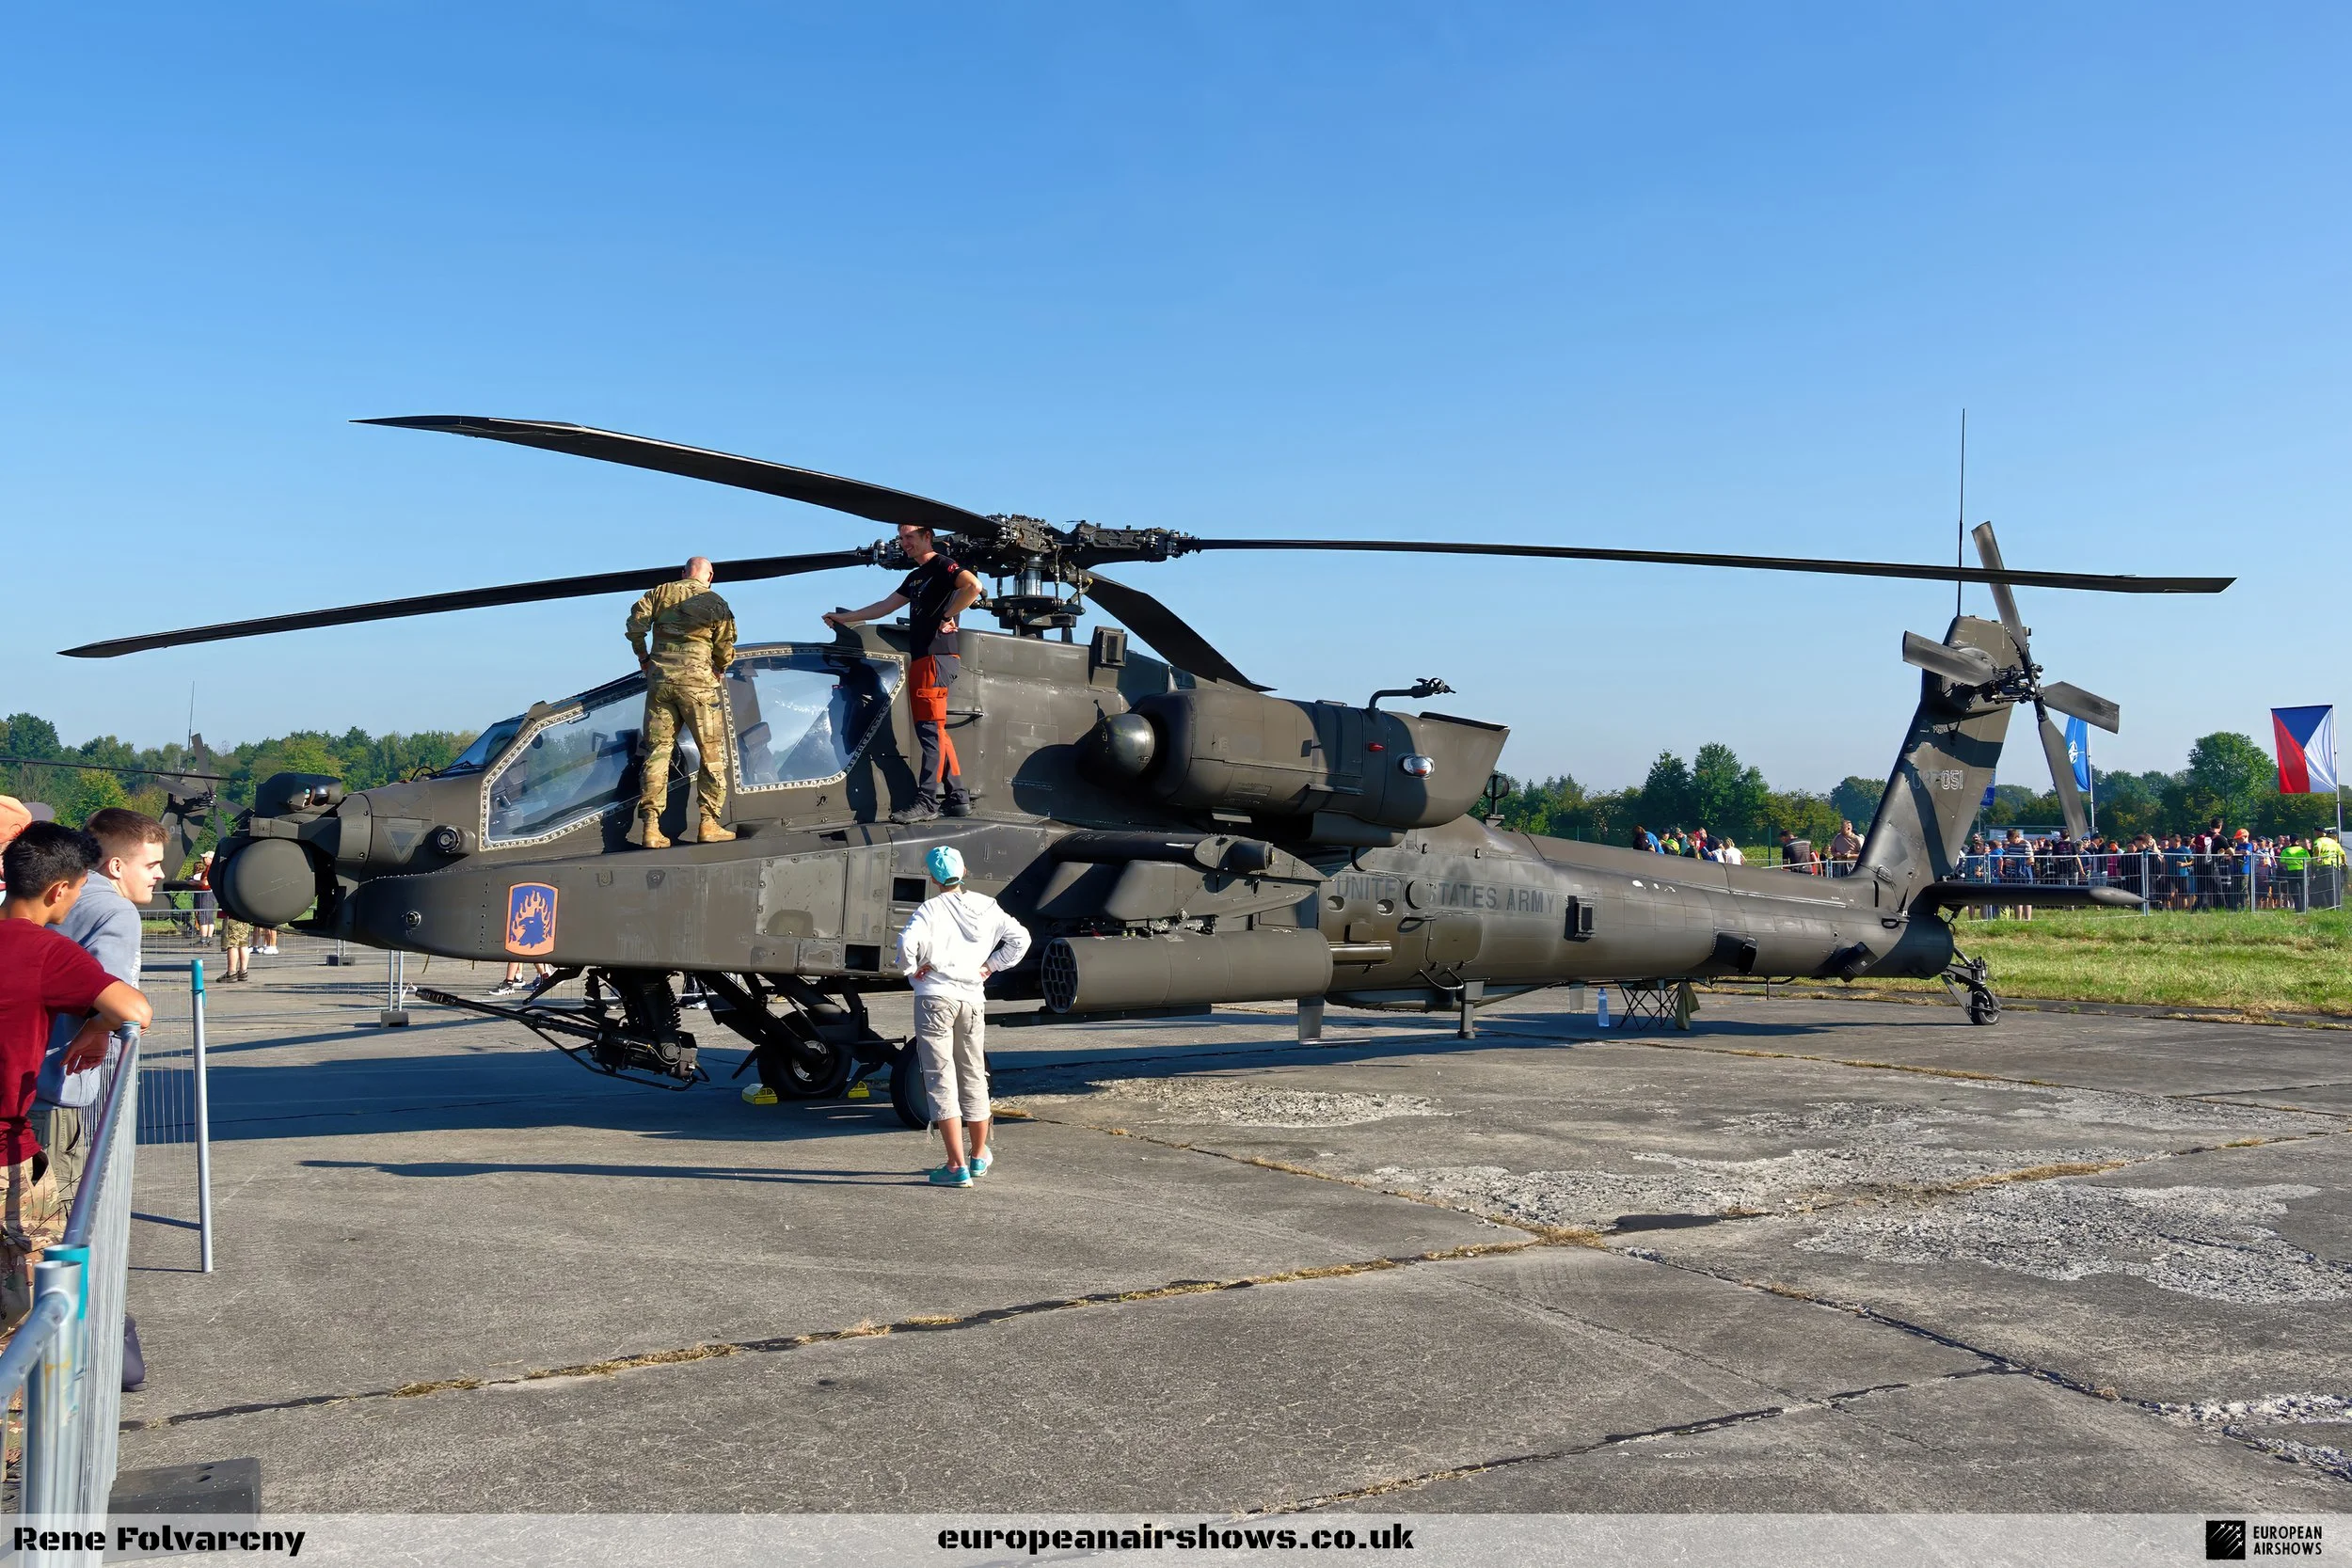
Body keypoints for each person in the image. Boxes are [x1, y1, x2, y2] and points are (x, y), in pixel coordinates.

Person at [0, 824, 152, 1344]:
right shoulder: (45, 950)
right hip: (8, 1153)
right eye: (80, 887)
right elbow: (135, 1010)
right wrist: (97, 1026)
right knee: (39, 1304)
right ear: (57, 890)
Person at [34, 809, 163, 1392]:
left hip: (33, 1080)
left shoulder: (63, 899)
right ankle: (73, 1354)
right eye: (151, 863)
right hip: (60, 1089)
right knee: (60, 1225)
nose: (158, 875)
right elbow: (116, 997)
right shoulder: (114, 910)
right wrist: (102, 1026)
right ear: (114, 865)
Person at [824, 525, 983, 823]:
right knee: (936, 730)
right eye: (901, 537)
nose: (904, 542)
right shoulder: (916, 577)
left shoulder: (943, 565)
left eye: (910, 536)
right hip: (925, 659)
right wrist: (845, 618)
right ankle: (958, 797)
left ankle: (927, 801)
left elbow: (973, 586)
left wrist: (947, 616)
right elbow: (884, 606)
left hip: (936, 658)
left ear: (927, 537)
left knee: (929, 732)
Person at [895, 845, 1029, 1188]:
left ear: (932, 878)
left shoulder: (929, 909)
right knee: (973, 1074)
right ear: (964, 871)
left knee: (940, 1078)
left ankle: (955, 1167)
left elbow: (906, 944)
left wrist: (912, 968)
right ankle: (979, 1155)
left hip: (934, 998)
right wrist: (991, 966)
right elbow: (1020, 939)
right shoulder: (988, 906)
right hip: (972, 998)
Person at [626, 557, 739, 850]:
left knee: (658, 753)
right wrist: (719, 668)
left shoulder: (659, 593)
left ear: (683, 573)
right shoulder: (715, 602)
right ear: (710, 576)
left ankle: (651, 828)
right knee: (711, 754)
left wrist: (643, 658)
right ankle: (708, 823)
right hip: (698, 687)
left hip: (660, 683)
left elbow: (635, 625)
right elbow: (725, 647)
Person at [190, 850, 217, 941]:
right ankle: (209, 938)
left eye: (205, 858)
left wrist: (193, 883)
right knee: (209, 917)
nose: (203, 859)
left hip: (206, 894)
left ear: (210, 859)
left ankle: (203, 939)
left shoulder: (209, 869)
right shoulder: (214, 868)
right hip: (211, 893)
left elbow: (205, 882)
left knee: (204, 916)